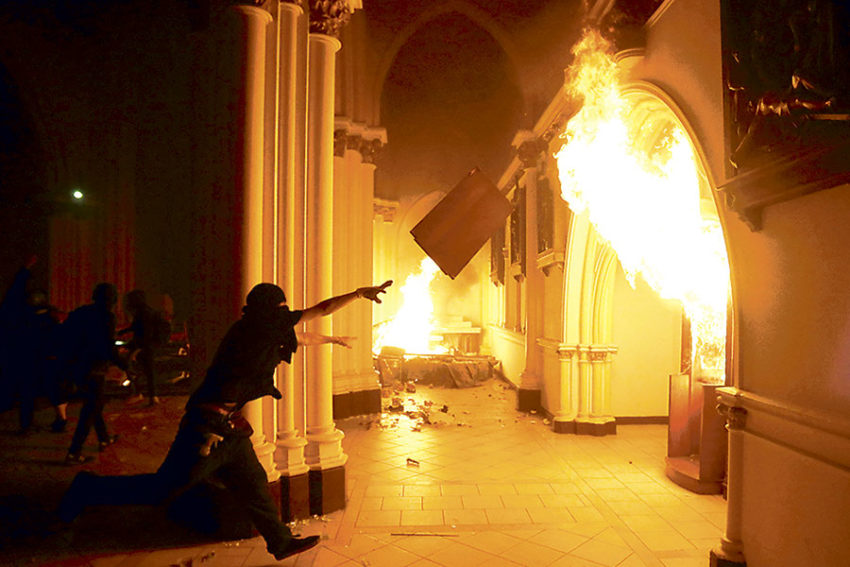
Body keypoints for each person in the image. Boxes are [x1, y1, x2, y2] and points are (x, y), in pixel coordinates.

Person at [59, 279, 392, 561]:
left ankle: (280, 541)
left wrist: (333, 340)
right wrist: (358, 294)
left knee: (253, 482)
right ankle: (87, 487)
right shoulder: (260, 327)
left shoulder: (256, 330)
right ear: (270, 308)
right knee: (163, 489)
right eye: (281, 307)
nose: (285, 313)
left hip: (229, 427)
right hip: (209, 425)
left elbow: (299, 338)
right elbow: (321, 310)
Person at [60, 283, 126, 464]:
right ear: (112, 299)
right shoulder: (106, 317)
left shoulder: (81, 312)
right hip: (94, 367)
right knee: (90, 408)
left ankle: (104, 439)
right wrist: (124, 364)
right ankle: (74, 452)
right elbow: (107, 345)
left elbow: (66, 335)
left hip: (77, 366)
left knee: (94, 403)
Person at [119, 289, 167, 406]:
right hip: (150, 344)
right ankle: (150, 395)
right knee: (147, 370)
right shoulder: (146, 312)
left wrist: (132, 346)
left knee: (134, 366)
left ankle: (140, 393)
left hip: (147, 345)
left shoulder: (142, 314)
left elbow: (142, 333)